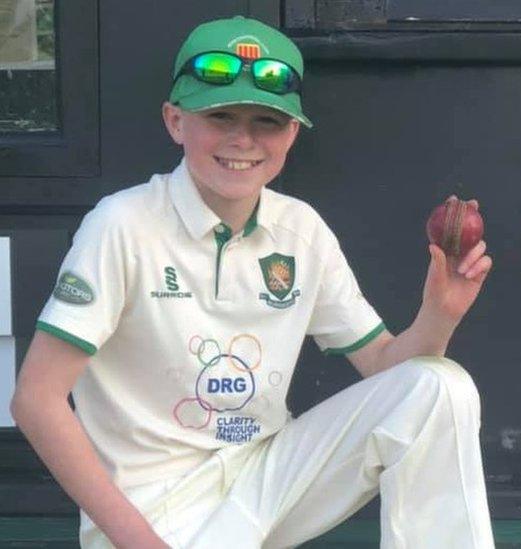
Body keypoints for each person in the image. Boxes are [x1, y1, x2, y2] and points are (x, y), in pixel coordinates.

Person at [10, 15, 495, 549]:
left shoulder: (300, 229)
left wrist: (441, 312)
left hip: (265, 479)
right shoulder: (122, 223)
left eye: (266, 120)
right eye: (220, 116)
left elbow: (384, 369)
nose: (243, 139)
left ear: (291, 133)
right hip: (154, 508)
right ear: (175, 121)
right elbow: (36, 399)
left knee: (440, 385)